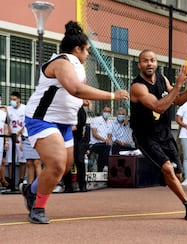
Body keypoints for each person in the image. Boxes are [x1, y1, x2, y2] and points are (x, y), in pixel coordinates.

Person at [19, 21, 129, 224]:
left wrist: (80, 100)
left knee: (66, 166)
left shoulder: (76, 66)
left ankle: (30, 190)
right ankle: (38, 208)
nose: (88, 54)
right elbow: (74, 88)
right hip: (42, 119)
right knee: (57, 164)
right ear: (77, 49)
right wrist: (112, 96)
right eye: (86, 50)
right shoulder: (62, 63)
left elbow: (71, 92)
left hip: (63, 123)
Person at [130, 49, 187, 221]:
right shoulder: (137, 87)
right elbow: (159, 107)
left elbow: (178, 100)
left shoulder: (162, 79)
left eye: (152, 60)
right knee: (168, 168)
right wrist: (177, 85)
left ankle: (166, 175)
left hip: (164, 133)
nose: (149, 63)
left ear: (156, 63)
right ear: (139, 64)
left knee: (177, 175)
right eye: (145, 61)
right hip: (145, 136)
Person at [63, 104, 90, 193]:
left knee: (79, 161)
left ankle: (82, 185)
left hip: (78, 139)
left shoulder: (80, 108)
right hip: (66, 137)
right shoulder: (64, 108)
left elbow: (81, 122)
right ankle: (68, 186)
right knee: (67, 162)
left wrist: (74, 127)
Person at [6, 91, 27, 188]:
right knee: (11, 160)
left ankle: (21, 180)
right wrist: (11, 133)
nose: (12, 101)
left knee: (22, 160)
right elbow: (7, 122)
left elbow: (26, 123)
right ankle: (11, 180)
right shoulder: (8, 109)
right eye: (11, 99)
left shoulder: (24, 109)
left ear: (19, 99)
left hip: (21, 137)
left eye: (14, 99)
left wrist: (18, 133)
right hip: (11, 137)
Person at [89, 105, 112, 171]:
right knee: (106, 147)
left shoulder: (109, 123)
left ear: (110, 113)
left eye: (108, 112)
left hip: (104, 144)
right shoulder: (96, 120)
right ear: (102, 111)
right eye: (105, 111)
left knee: (107, 146)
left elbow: (109, 134)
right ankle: (103, 166)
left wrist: (108, 140)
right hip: (95, 144)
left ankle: (101, 168)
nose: (107, 113)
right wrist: (105, 140)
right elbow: (94, 134)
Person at [0, 105, 9, 188]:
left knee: (2, 162)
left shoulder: (3, 113)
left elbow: (6, 128)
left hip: (1, 140)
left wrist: (6, 141)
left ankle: (2, 180)